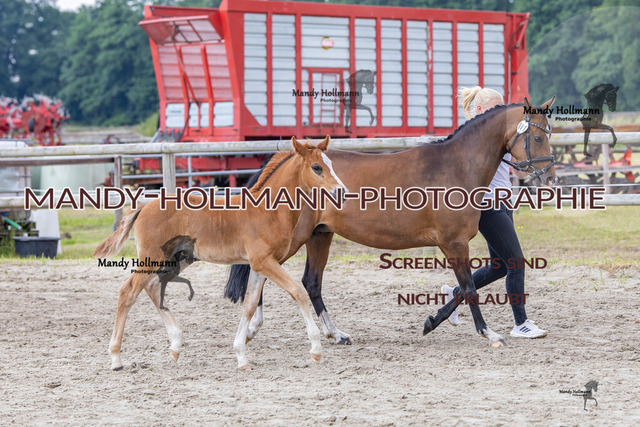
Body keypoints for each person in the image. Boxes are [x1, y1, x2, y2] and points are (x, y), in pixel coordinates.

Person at [441, 86, 547, 338]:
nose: (501, 113)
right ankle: (520, 323)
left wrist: (526, 158)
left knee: (499, 266)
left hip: (504, 201)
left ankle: (454, 295)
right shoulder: (470, 137)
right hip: (487, 204)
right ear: (479, 110)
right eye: (495, 108)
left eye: (502, 108)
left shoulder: (500, 134)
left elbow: (517, 170)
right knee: (516, 262)